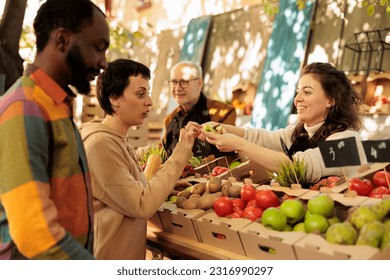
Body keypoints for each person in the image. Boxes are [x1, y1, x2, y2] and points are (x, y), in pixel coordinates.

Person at [0, 0, 110, 260]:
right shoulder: (26, 107)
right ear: (62, 40)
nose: (103, 62)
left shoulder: (55, 105)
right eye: (98, 48)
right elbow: (34, 233)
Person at [78, 59, 200, 260]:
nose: (149, 101)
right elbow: (142, 205)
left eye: (148, 93)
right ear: (115, 98)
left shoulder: (114, 138)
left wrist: (169, 183)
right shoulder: (102, 144)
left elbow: (129, 190)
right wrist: (182, 151)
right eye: (141, 94)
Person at [198, 62, 367, 184]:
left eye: (307, 92)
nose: (297, 99)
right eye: (298, 92)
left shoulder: (347, 141)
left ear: (330, 100)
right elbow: (261, 137)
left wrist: (239, 144)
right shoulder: (300, 132)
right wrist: (219, 127)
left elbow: (300, 168)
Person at [163, 61, 237, 157]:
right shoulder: (169, 119)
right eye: (173, 82)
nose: (177, 88)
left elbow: (228, 153)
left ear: (199, 83)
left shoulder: (223, 112)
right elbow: (164, 151)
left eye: (184, 82)